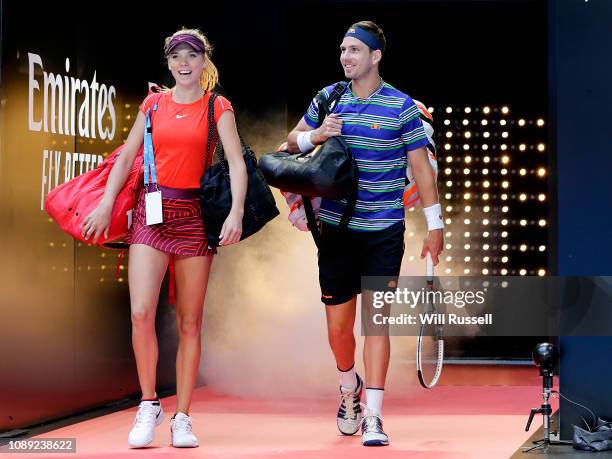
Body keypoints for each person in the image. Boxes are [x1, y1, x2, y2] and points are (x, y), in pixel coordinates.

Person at [80, 28, 247, 448]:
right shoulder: (153, 103)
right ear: (168, 62)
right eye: (177, 56)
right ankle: (149, 403)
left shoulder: (217, 105)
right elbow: (128, 155)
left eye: (192, 55)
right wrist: (106, 203)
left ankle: (183, 417)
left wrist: (236, 212)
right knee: (140, 312)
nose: (184, 63)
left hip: (194, 218)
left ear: (204, 62)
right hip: (152, 217)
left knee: (189, 322)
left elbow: (237, 163)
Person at [287, 21, 444, 447]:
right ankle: (347, 388)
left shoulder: (402, 107)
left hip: (384, 233)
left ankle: (373, 416)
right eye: (342, 50)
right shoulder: (329, 97)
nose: (346, 57)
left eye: (355, 50)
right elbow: (292, 141)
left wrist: (436, 225)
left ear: (375, 56)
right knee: (340, 331)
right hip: (336, 232)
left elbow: (422, 171)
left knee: (377, 325)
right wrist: (316, 135)